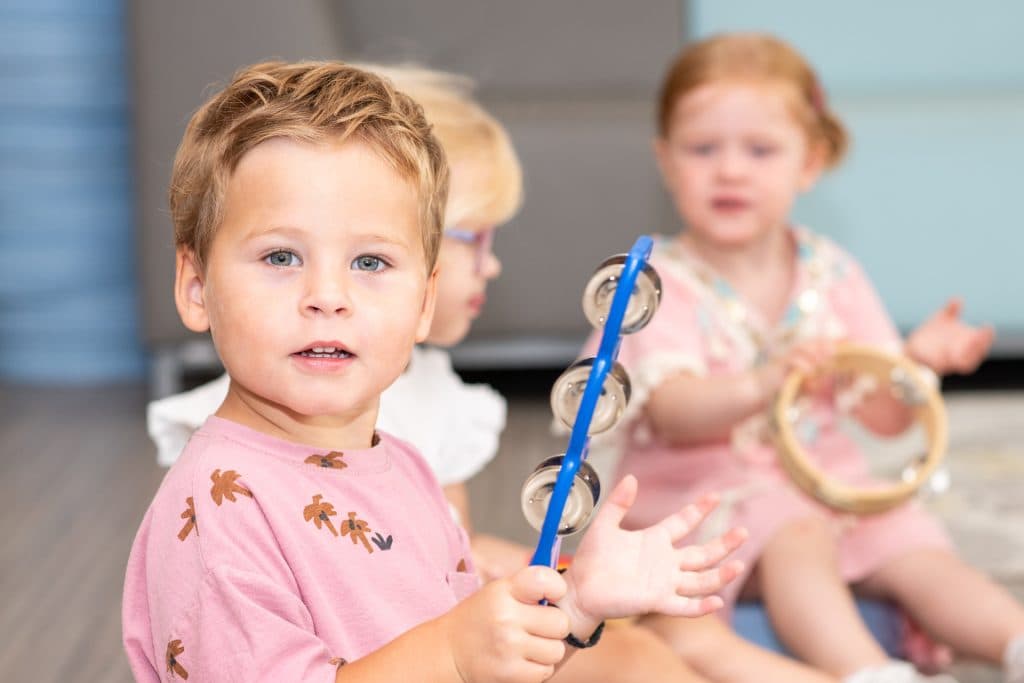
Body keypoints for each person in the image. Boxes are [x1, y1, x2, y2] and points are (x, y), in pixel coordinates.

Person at [147, 64, 844, 683]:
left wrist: (573, 606)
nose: (327, 295)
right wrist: (453, 649)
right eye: (279, 257)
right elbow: (449, 657)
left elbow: (483, 665)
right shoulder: (219, 509)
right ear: (196, 286)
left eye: (370, 263)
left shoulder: (404, 469)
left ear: (424, 302)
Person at [581, 32, 1024, 683]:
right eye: (704, 150)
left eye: (760, 150)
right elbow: (674, 411)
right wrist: (762, 383)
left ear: (808, 163)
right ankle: (870, 671)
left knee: (914, 543)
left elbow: (880, 418)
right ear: (667, 161)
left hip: (828, 486)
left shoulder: (830, 271)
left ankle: (1013, 640)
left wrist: (912, 368)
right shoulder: (656, 284)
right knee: (798, 534)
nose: (730, 170)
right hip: (709, 502)